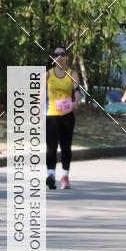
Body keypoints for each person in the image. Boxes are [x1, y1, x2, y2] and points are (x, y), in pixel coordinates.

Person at [46, 46, 80, 190]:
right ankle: (51, 175)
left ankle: (65, 177)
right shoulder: (47, 74)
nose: (60, 57)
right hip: (52, 115)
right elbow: (40, 94)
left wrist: (76, 102)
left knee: (66, 147)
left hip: (67, 116)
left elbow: (77, 91)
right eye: (56, 54)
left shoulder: (72, 73)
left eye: (63, 54)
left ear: (67, 57)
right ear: (53, 58)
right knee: (51, 147)